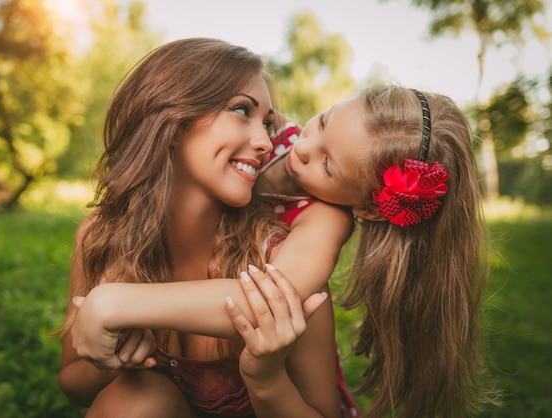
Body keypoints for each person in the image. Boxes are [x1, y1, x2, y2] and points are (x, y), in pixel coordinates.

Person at [72, 83, 495, 418]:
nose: (302, 149)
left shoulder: (328, 217)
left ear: (366, 205)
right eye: (323, 122)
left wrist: (115, 302)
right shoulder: (271, 134)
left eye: (328, 165)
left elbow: (268, 299)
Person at [59, 37, 358, 418]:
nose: (266, 142)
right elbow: (73, 384)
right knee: (136, 400)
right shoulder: (101, 237)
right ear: (171, 115)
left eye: (267, 123)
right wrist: (115, 357)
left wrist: (267, 377)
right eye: (241, 110)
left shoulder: (278, 259)